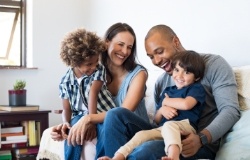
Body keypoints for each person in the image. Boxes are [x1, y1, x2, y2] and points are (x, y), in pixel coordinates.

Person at [96, 24, 240, 160]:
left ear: (176, 41)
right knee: (115, 114)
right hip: (165, 134)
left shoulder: (213, 64)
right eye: (151, 57)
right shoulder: (162, 82)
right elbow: (157, 123)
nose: (157, 60)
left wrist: (201, 139)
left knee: (146, 150)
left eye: (159, 52)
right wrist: (162, 110)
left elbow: (230, 110)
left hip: (195, 142)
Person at [50, 22, 149, 160]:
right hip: (109, 125)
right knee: (76, 128)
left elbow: (121, 114)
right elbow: (77, 103)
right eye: (120, 44)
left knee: (112, 118)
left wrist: (89, 118)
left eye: (129, 47)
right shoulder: (93, 70)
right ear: (106, 43)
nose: (125, 51)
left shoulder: (138, 74)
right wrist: (68, 124)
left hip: (135, 128)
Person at [98, 50, 206, 160]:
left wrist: (166, 102)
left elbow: (187, 104)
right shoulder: (168, 91)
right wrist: (162, 110)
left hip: (184, 128)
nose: (180, 75)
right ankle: (117, 157)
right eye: (177, 70)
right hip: (163, 129)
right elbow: (157, 119)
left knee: (170, 125)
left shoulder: (195, 88)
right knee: (141, 135)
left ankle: (173, 156)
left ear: (196, 77)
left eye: (187, 72)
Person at [58, 28, 117, 159]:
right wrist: (65, 122)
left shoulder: (98, 70)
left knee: (104, 130)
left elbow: (93, 93)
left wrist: (91, 121)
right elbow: (66, 108)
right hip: (79, 116)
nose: (94, 66)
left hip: (102, 113)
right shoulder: (65, 81)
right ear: (74, 62)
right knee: (73, 130)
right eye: (89, 64)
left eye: (96, 62)